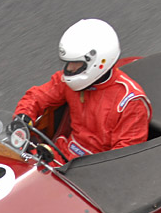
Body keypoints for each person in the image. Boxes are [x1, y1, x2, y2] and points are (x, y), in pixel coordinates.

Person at [14, 19, 151, 161]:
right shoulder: (67, 81)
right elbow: (37, 96)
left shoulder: (130, 103)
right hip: (60, 155)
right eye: (69, 62)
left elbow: (123, 158)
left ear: (98, 61)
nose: (70, 68)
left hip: (92, 171)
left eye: (76, 63)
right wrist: (23, 117)